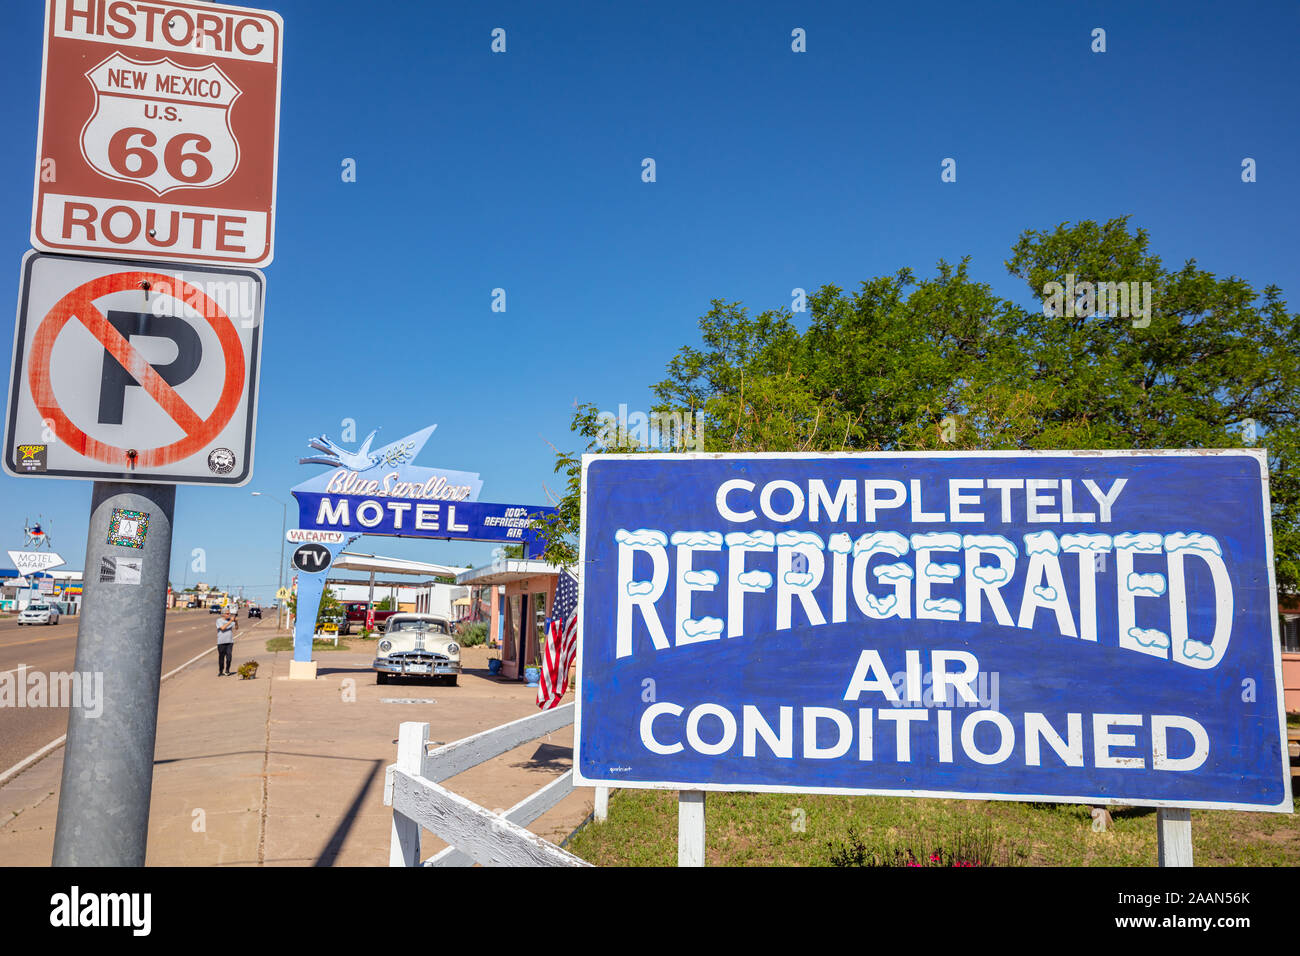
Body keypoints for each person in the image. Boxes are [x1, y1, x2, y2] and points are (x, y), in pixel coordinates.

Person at [216, 610, 239, 676]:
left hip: (229, 641)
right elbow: (222, 628)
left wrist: (236, 621)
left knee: (229, 657)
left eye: (229, 613)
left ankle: (227, 670)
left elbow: (236, 628)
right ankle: (221, 671)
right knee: (221, 657)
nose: (229, 615)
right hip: (221, 642)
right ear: (223, 614)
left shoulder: (230, 620)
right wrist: (231, 621)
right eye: (227, 613)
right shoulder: (219, 620)